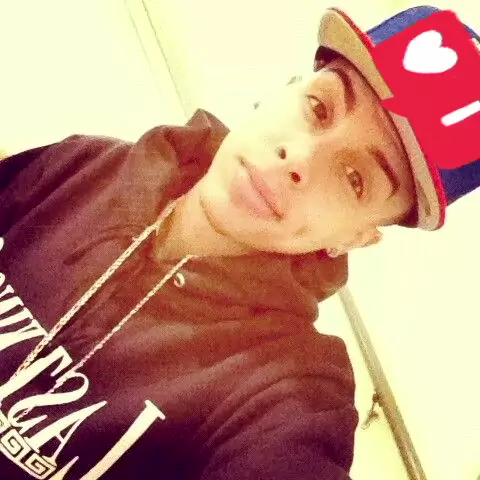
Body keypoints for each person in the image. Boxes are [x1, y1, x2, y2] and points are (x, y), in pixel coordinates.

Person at [0, 4, 479, 480]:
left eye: (355, 178)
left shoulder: (289, 392)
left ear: (356, 237)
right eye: (319, 108)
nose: (300, 158)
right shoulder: (87, 166)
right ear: (286, 88)